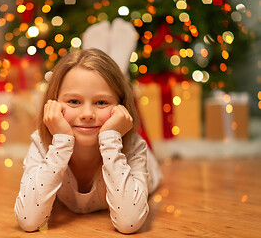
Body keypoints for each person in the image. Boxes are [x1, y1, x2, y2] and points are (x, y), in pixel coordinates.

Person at [14, 48, 162, 234]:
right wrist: (61, 142)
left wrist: (110, 140)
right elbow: (29, 220)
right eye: (74, 101)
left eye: (101, 102)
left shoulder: (133, 146)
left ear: (121, 108)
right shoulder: (43, 143)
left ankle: (120, 69)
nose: (86, 115)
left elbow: (129, 223)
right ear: (52, 103)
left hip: (143, 159)